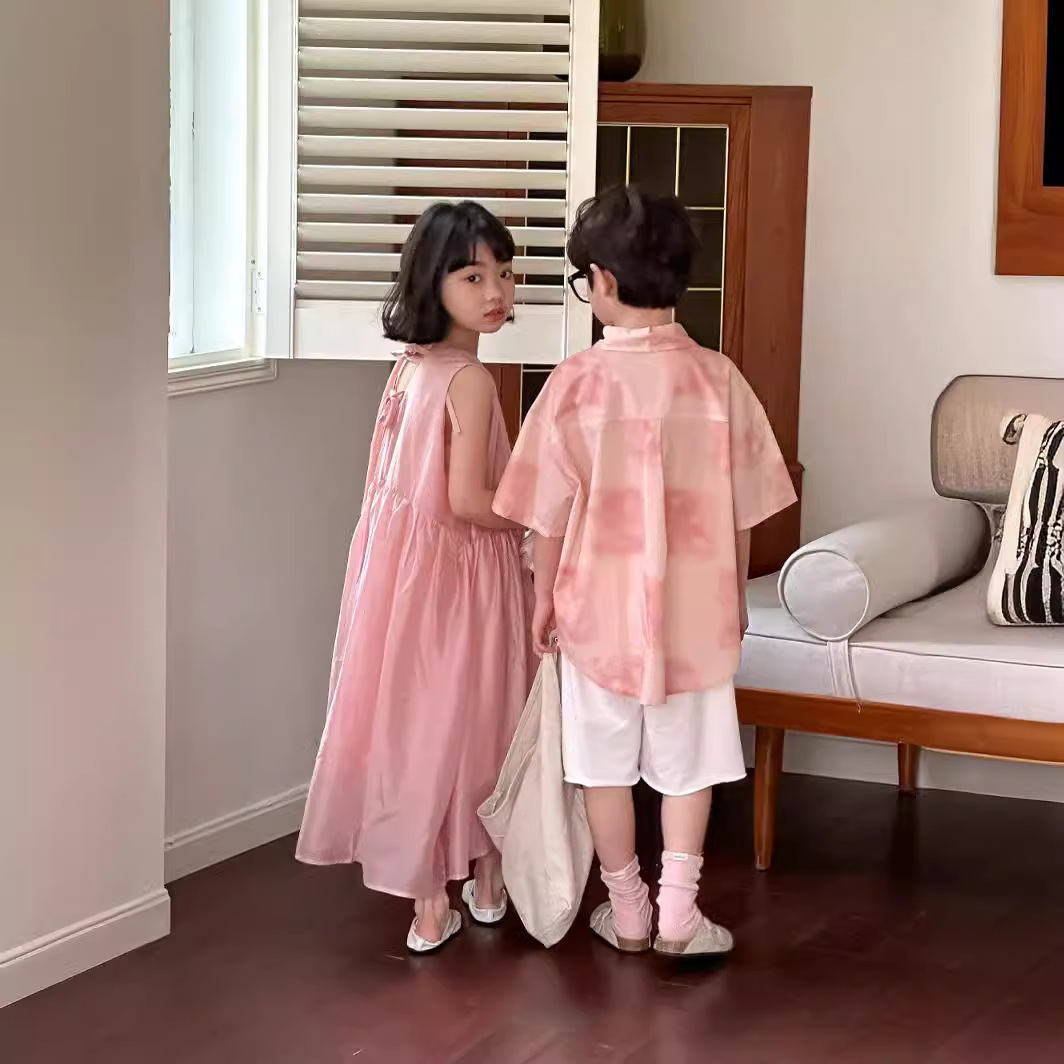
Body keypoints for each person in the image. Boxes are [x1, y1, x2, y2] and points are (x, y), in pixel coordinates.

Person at [493, 186, 796, 957]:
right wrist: (734, 598)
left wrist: (543, 599)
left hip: (597, 613)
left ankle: (626, 911)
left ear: (601, 280)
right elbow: (743, 510)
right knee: (690, 766)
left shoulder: (575, 383)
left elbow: (547, 515)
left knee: (603, 768)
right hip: (697, 617)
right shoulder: (720, 380)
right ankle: (679, 916)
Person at [296, 202, 534, 954]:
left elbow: (394, 487)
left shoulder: (408, 368)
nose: (496, 291)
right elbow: (467, 501)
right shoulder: (470, 379)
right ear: (434, 282)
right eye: (474, 277)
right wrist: (539, 513)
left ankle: (431, 906)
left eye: (504, 273)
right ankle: (488, 880)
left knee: (415, 724)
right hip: (465, 577)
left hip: (399, 574)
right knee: (486, 715)